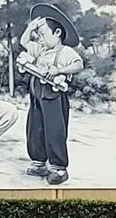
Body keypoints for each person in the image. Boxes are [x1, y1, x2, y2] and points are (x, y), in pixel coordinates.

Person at [15, 11, 84, 184]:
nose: (40, 39)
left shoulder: (65, 51)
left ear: (57, 33)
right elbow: (24, 42)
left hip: (53, 94)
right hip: (36, 93)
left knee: (54, 129)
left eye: (43, 34)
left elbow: (78, 65)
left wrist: (59, 70)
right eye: (38, 35)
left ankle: (58, 168)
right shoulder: (40, 49)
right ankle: (39, 162)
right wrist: (31, 27)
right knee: (35, 127)